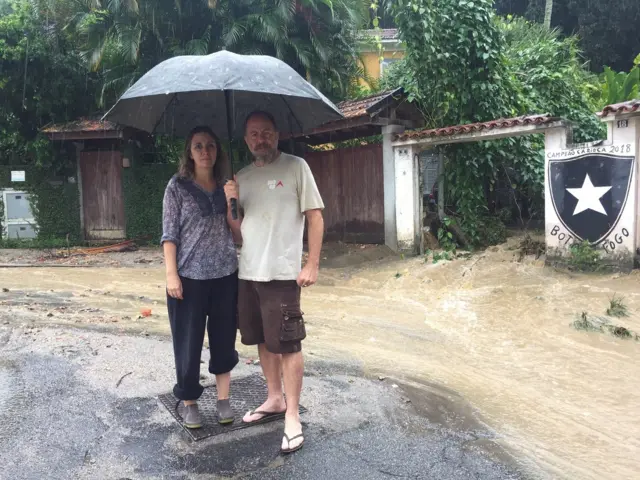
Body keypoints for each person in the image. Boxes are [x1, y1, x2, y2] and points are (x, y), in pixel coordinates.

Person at [224, 111, 325, 454]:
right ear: (246, 139)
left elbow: (315, 217)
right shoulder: (242, 177)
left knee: (288, 343)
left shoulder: (297, 167)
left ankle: (293, 416)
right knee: (262, 340)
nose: (260, 139)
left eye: (266, 132)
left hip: (282, 273)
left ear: (277, 134)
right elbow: (239, 232)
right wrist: (230, 201)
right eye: (253, 134)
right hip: (249, 271)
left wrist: (311, 263)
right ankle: (274, 399)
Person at [161, 125, 242, 429]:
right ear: (189, 152)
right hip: (189, 278)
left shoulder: (227, 185)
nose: (205, 151)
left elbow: (238, 233)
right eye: (198, 146)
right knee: (188, 342)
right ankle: (189, 400)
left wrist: (233, 200)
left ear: (217, 150)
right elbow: (169, 235)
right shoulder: (177, 187)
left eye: (210, 145)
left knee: (223, 339)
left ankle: (223, 400)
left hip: (225, 274)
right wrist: (172, 275)